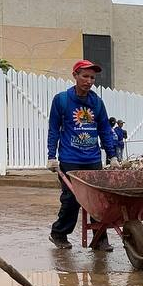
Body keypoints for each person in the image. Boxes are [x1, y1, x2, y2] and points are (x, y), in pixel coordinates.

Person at [47, 60, 117, 251]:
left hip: (93, 159)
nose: (89, 81)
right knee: (71, 200)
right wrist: (51, 155)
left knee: (99, 200)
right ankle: (59, 233)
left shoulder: (97, 102)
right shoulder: (61, 100)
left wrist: (112, 156)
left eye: (92, 77)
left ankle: (100, 238)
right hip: (70, 159)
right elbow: (54, 129)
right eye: (85, 76)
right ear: (75, 75)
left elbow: (104, 129)